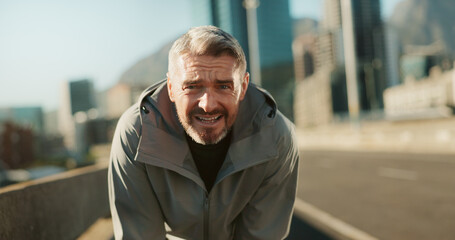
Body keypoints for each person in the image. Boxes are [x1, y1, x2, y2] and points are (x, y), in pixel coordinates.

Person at [108, 25, 299, 240]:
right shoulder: (137, 132)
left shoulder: (275, 135)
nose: (208, 105)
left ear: (243, 87)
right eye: (193, 86)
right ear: (171, 88)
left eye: (224, 86)